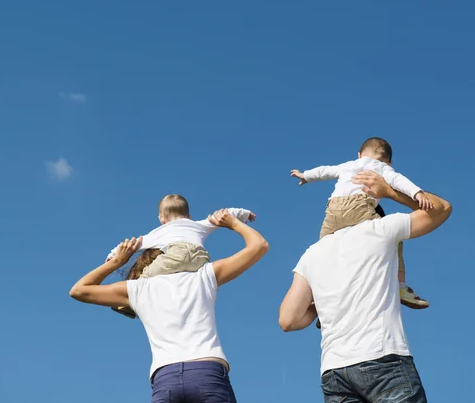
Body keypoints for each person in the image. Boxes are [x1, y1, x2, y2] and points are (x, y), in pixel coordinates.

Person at [279, 171, 452, 403]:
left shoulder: (312, 253)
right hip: (382, 360)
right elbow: (441, 208)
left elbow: (288, 320)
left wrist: (325, 301)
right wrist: (390, 192)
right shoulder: (380, 229)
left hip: (335, 373)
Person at [70, 209, 269, 403]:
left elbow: (79, 290)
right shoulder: (203, 277)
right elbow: (259, 246)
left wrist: (117, 262)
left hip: (165, 379)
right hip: (207, 372)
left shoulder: (138, 289)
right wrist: (233, 223)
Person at [290, 137, 431, 309]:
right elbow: (399, 181)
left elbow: (325, 171)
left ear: (359, 155)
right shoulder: (382, 168)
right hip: (359, 207)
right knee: (394, 239)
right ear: (389, 161)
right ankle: (400, 287)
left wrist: (305, 175)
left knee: (324, 252)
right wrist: (417, 193)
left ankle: (319, 300)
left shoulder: (349, 165)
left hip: (332, 213)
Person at [104, 194, 255, 318]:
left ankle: (128, 303)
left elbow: (132, 244)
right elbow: (224, 213)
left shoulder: (158, 232)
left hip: (177, 254)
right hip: (200, 258)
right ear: (188, 216)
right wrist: (244, 213)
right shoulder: (199, 224)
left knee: (146, 276)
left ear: (161, 219)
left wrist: (112, 257)